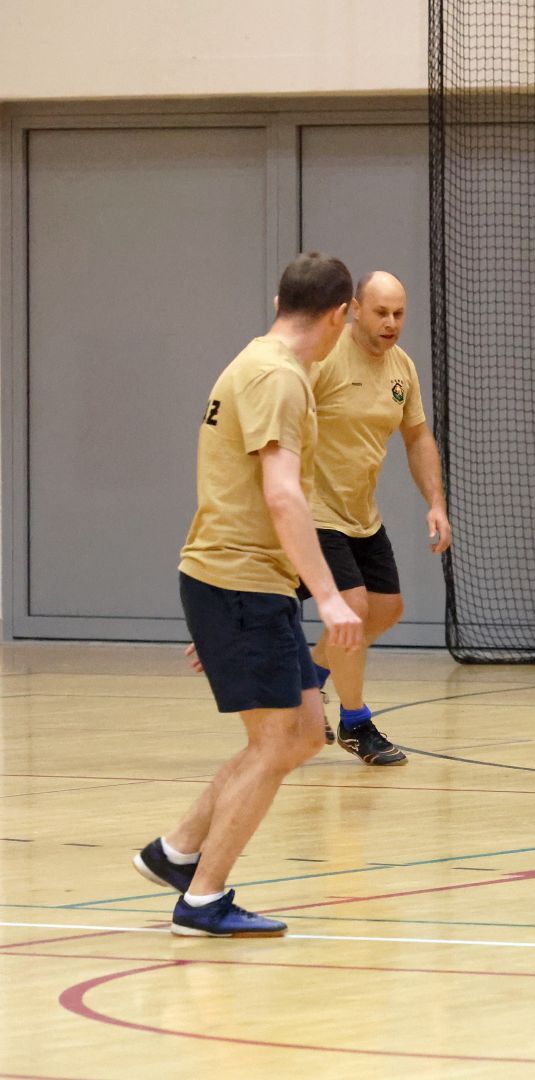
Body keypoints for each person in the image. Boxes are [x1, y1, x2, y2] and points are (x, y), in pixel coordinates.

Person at [132, 252, 365, 937]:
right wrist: (329, 596)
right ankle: (203, 900)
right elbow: (281, 493)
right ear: (340, 315)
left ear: (278, 301)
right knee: (275, 741)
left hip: (244, 584)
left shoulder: (259, 363)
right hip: (238, 581)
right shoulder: (278, 378)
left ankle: (176, 851)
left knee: (306, 734)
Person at [301, 270, 451, 766]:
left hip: (361, 514)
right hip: (314, 509)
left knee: (386, 609)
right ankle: (355, 721)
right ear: (355, 309)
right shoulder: (324, 359)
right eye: (381, 312)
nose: (391, 323)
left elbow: (417, 437)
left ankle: (307, 677)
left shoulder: (401, 367)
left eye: (399, 313)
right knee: (352, 609)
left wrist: (436, 503)